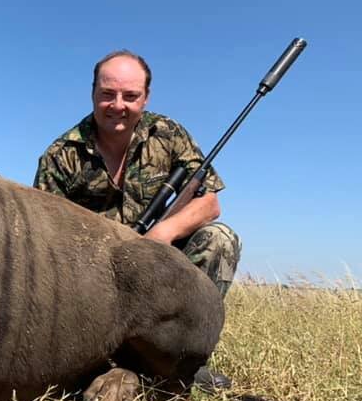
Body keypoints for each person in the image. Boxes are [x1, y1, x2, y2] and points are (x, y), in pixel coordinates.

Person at [33, 50, 241, 299]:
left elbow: (209, 203)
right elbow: (44, 234)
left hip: (158, 257)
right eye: (107, 94)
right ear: (93, 93)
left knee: (220, 238)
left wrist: (163, 233)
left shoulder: (168, 134)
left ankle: (193, 335)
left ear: (146, 98)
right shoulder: (60, 155)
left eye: (130, 96)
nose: (118, 105)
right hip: (89, 274)